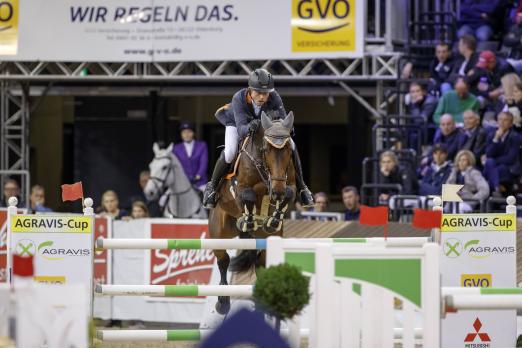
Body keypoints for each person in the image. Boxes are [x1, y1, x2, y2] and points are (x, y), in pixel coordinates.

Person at [203, 68, 313, 208]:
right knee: (230, 152)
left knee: (291, 144)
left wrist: (286, 128)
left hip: (264, 126)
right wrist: (250, 127)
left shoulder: (274, 97)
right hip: (236, 124)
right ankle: (212, 187)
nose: (262, 97)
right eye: (258, 93)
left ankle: (303, 188)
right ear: (250, 89)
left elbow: (283, 121)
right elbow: (242, 130)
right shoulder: (239, 98)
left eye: (265, 94)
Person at [483, 111, 522, 195]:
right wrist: (496, 139)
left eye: (505, 120)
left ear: (511, 124)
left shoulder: (515, 137)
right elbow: (489, 154)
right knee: (490, 163)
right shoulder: (491, 135)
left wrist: (494, 160)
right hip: (494, 166)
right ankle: (497, 188)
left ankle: (493, 191)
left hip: (509, 168)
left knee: (490, 166)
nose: (502, 122)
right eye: (500, 119)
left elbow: (510, 159)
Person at [173, 122, 208, 192]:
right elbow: (176, 165)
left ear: (193, 133)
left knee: (208, 199)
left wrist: (198, 176)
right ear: (181, 134)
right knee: (163, 199)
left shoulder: (202, 145)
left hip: (199, 182)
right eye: (184, 132)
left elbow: (203, 163)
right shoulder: (176, 148)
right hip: (182, 181)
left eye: (189, 132)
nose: (186, 134)